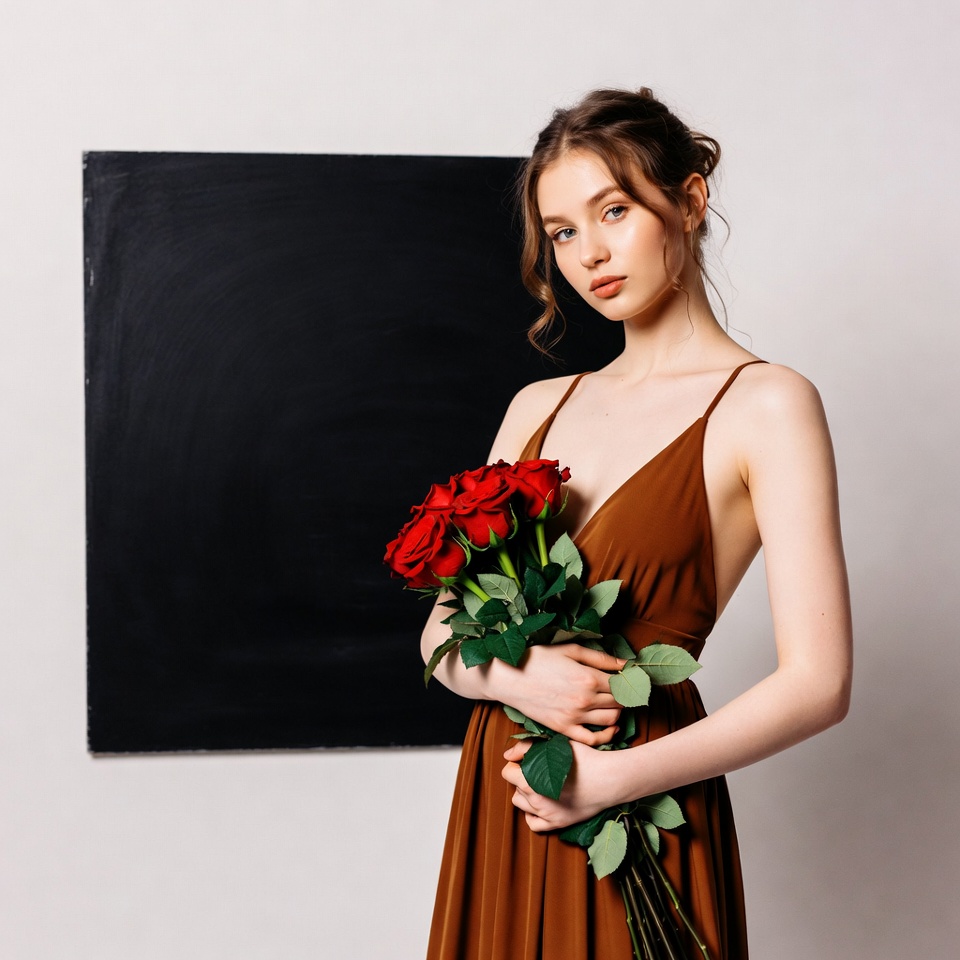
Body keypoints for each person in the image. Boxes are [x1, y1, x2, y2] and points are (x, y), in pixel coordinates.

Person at [419, 88, 852, 960]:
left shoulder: (765, 404)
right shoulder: (538, 404)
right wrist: (512, 681)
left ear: (689, 201)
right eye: (564, 232)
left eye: (613, 209)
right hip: (507, 792)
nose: (590, 253)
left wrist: (607, 779)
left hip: (638, 789)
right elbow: (438, 632)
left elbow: (820, 683)